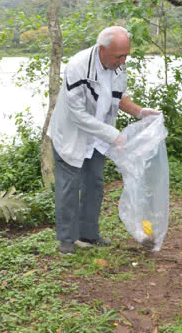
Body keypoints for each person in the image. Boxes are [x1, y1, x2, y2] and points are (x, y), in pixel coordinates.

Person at [47, 26, 160, 255]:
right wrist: (113, 135)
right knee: (69, 187)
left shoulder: (118, 67)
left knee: (95, 184)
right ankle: (67, 240)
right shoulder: (78, 66)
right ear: (102, 49)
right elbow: (77, 114)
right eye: (119, 55)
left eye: (126, 55)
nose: (123, 60)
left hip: (98, 137)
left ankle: (89, 234)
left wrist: (140, 112)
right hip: (72, 134)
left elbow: (119, 98)